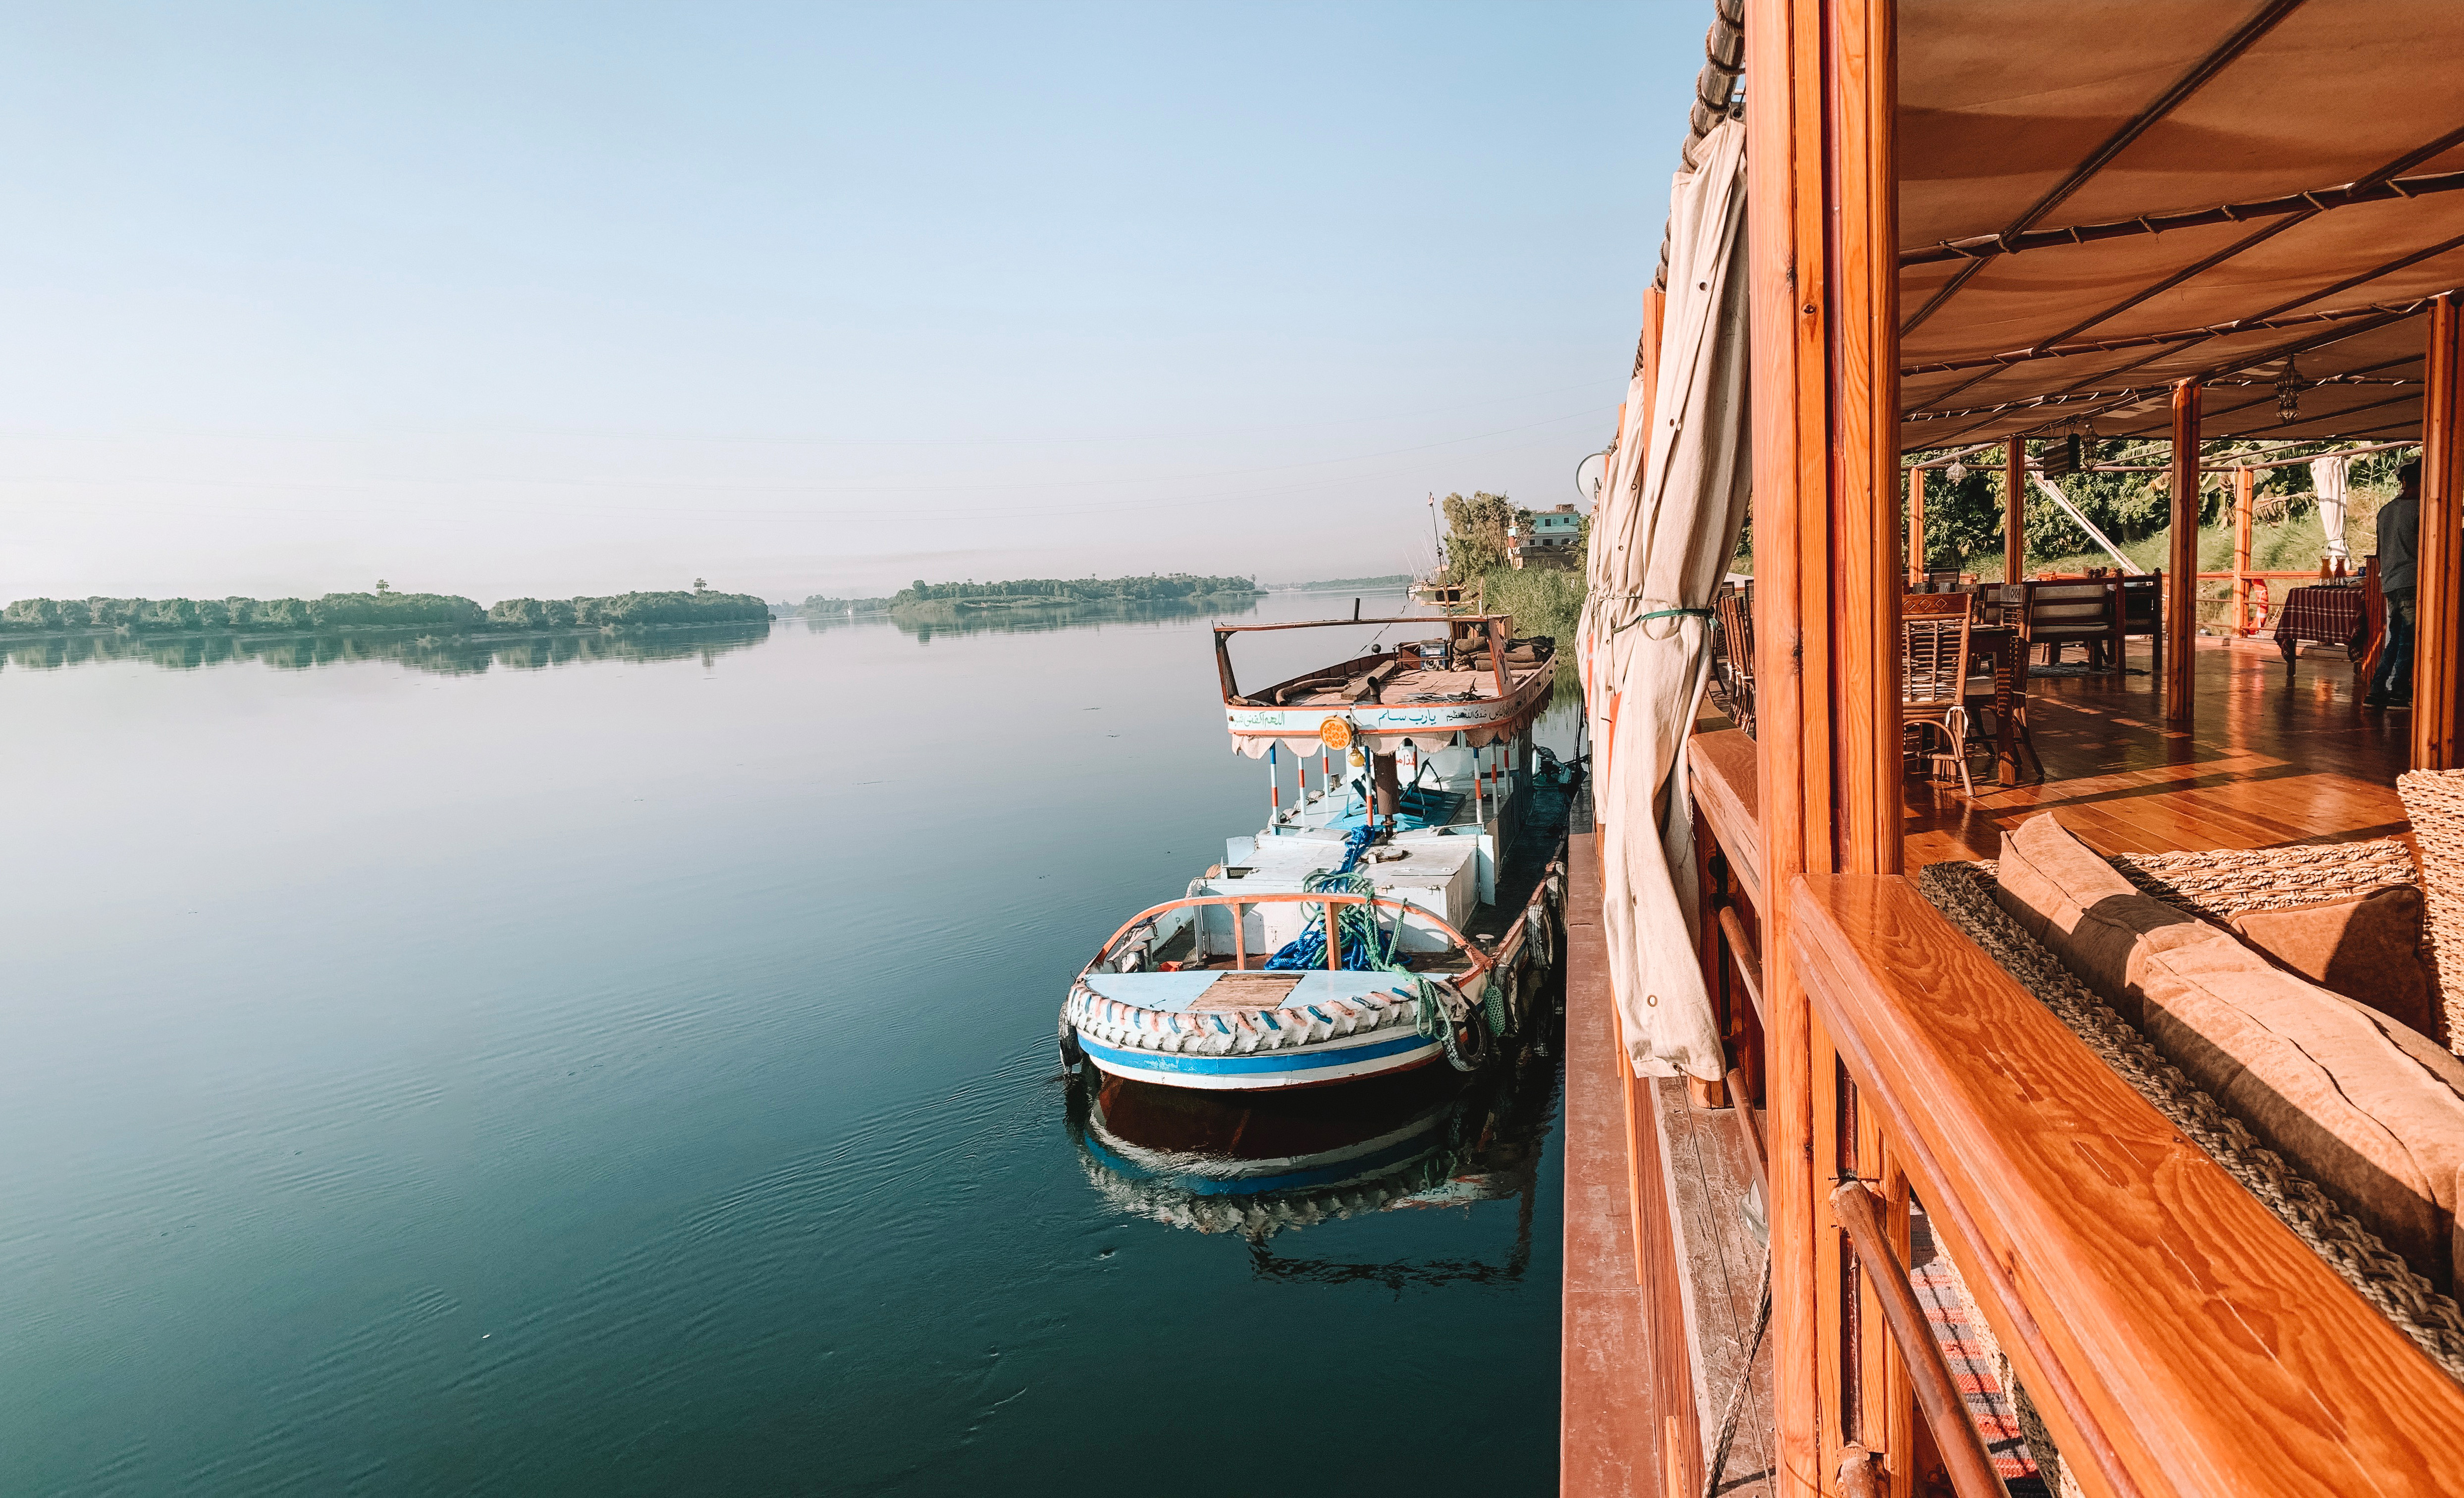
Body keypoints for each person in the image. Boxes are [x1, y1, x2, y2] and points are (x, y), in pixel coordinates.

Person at [2365, 458, 2421, 708]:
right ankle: (2399, 690)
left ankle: (2377, 689)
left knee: (2396, 637)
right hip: (2412, 580)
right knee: (2408, 638)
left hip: (2390, 582)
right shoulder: (2422, 509)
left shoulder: (2385, 511)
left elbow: (2378, 553)